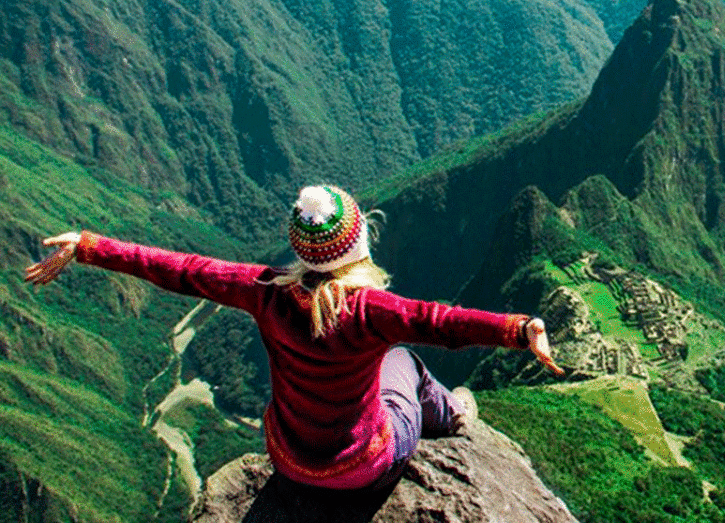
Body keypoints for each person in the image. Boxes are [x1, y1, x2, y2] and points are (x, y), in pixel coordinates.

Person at [24, 184, 563, 494]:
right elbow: (440, 323)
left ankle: (443, 412)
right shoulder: (370, 310)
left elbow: (181, 269)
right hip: (362, 468)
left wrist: (89, 246)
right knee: (404, 361)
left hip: (288, 459)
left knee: (390, 361)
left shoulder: (264, 291)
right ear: (358, 246)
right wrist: (519, 329)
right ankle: (454, 414)